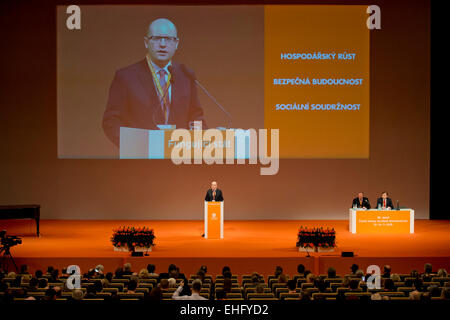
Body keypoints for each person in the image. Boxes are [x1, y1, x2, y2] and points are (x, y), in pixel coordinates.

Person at [103, 18, 207, 147]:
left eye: (168, 39)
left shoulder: (186, 75)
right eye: (157, 38)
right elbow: (111, 121)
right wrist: (133, 144)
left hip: (178, 156)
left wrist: (204, 138)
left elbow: (196, 117)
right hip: (140, 157)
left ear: (176, 44)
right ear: (146, 42)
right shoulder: (126, 77)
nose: (163, 44)